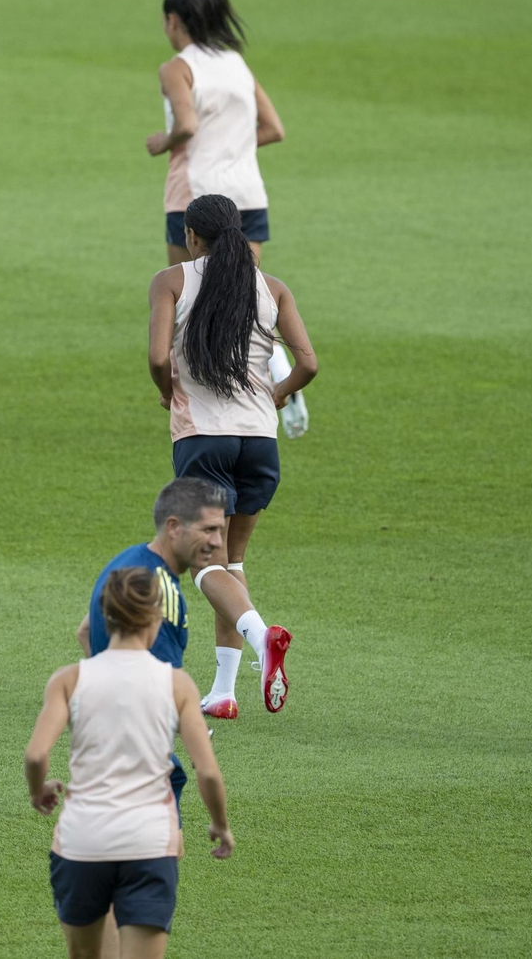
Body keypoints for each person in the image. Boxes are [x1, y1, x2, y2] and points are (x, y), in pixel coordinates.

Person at [148, 194, 311, 718]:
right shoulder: (273, 288)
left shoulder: (172, 280)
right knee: (231, 561)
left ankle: (264, 638)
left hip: (203, 439)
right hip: (260, 443)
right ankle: (223, 690)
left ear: (192, 236)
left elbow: (157, 356)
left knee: (202, 563)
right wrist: (278, 394)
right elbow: (308, 363)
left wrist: (166, 389)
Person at [28, 567, 232, 959]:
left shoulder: (68, 679)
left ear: (105, 617)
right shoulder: (178, 684)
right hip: (150, 841)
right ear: (156, 619)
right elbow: (207, 771)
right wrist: (220, 825)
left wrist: (39, 789)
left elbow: (36, 754)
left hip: (82, 841)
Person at [145, 0, 306, 438]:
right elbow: (273, 128)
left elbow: (188, 124)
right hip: (249, 195)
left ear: (174, 20)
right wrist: (233, 146)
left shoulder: (177, 67)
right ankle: (279, 394)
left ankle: (188, 401)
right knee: (246, 296)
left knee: (187, 298)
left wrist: (164, 141)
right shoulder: (237, 63)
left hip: (195, 196)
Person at [74, 477, 227, 958]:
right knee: (143, 884)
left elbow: (84, 633)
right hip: (142, 767)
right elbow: (159, 685)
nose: (218, 542)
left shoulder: (124, 563)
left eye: (221, 531)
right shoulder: (160, 587)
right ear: (175, 526)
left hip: (104, 760)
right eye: (209, 530)